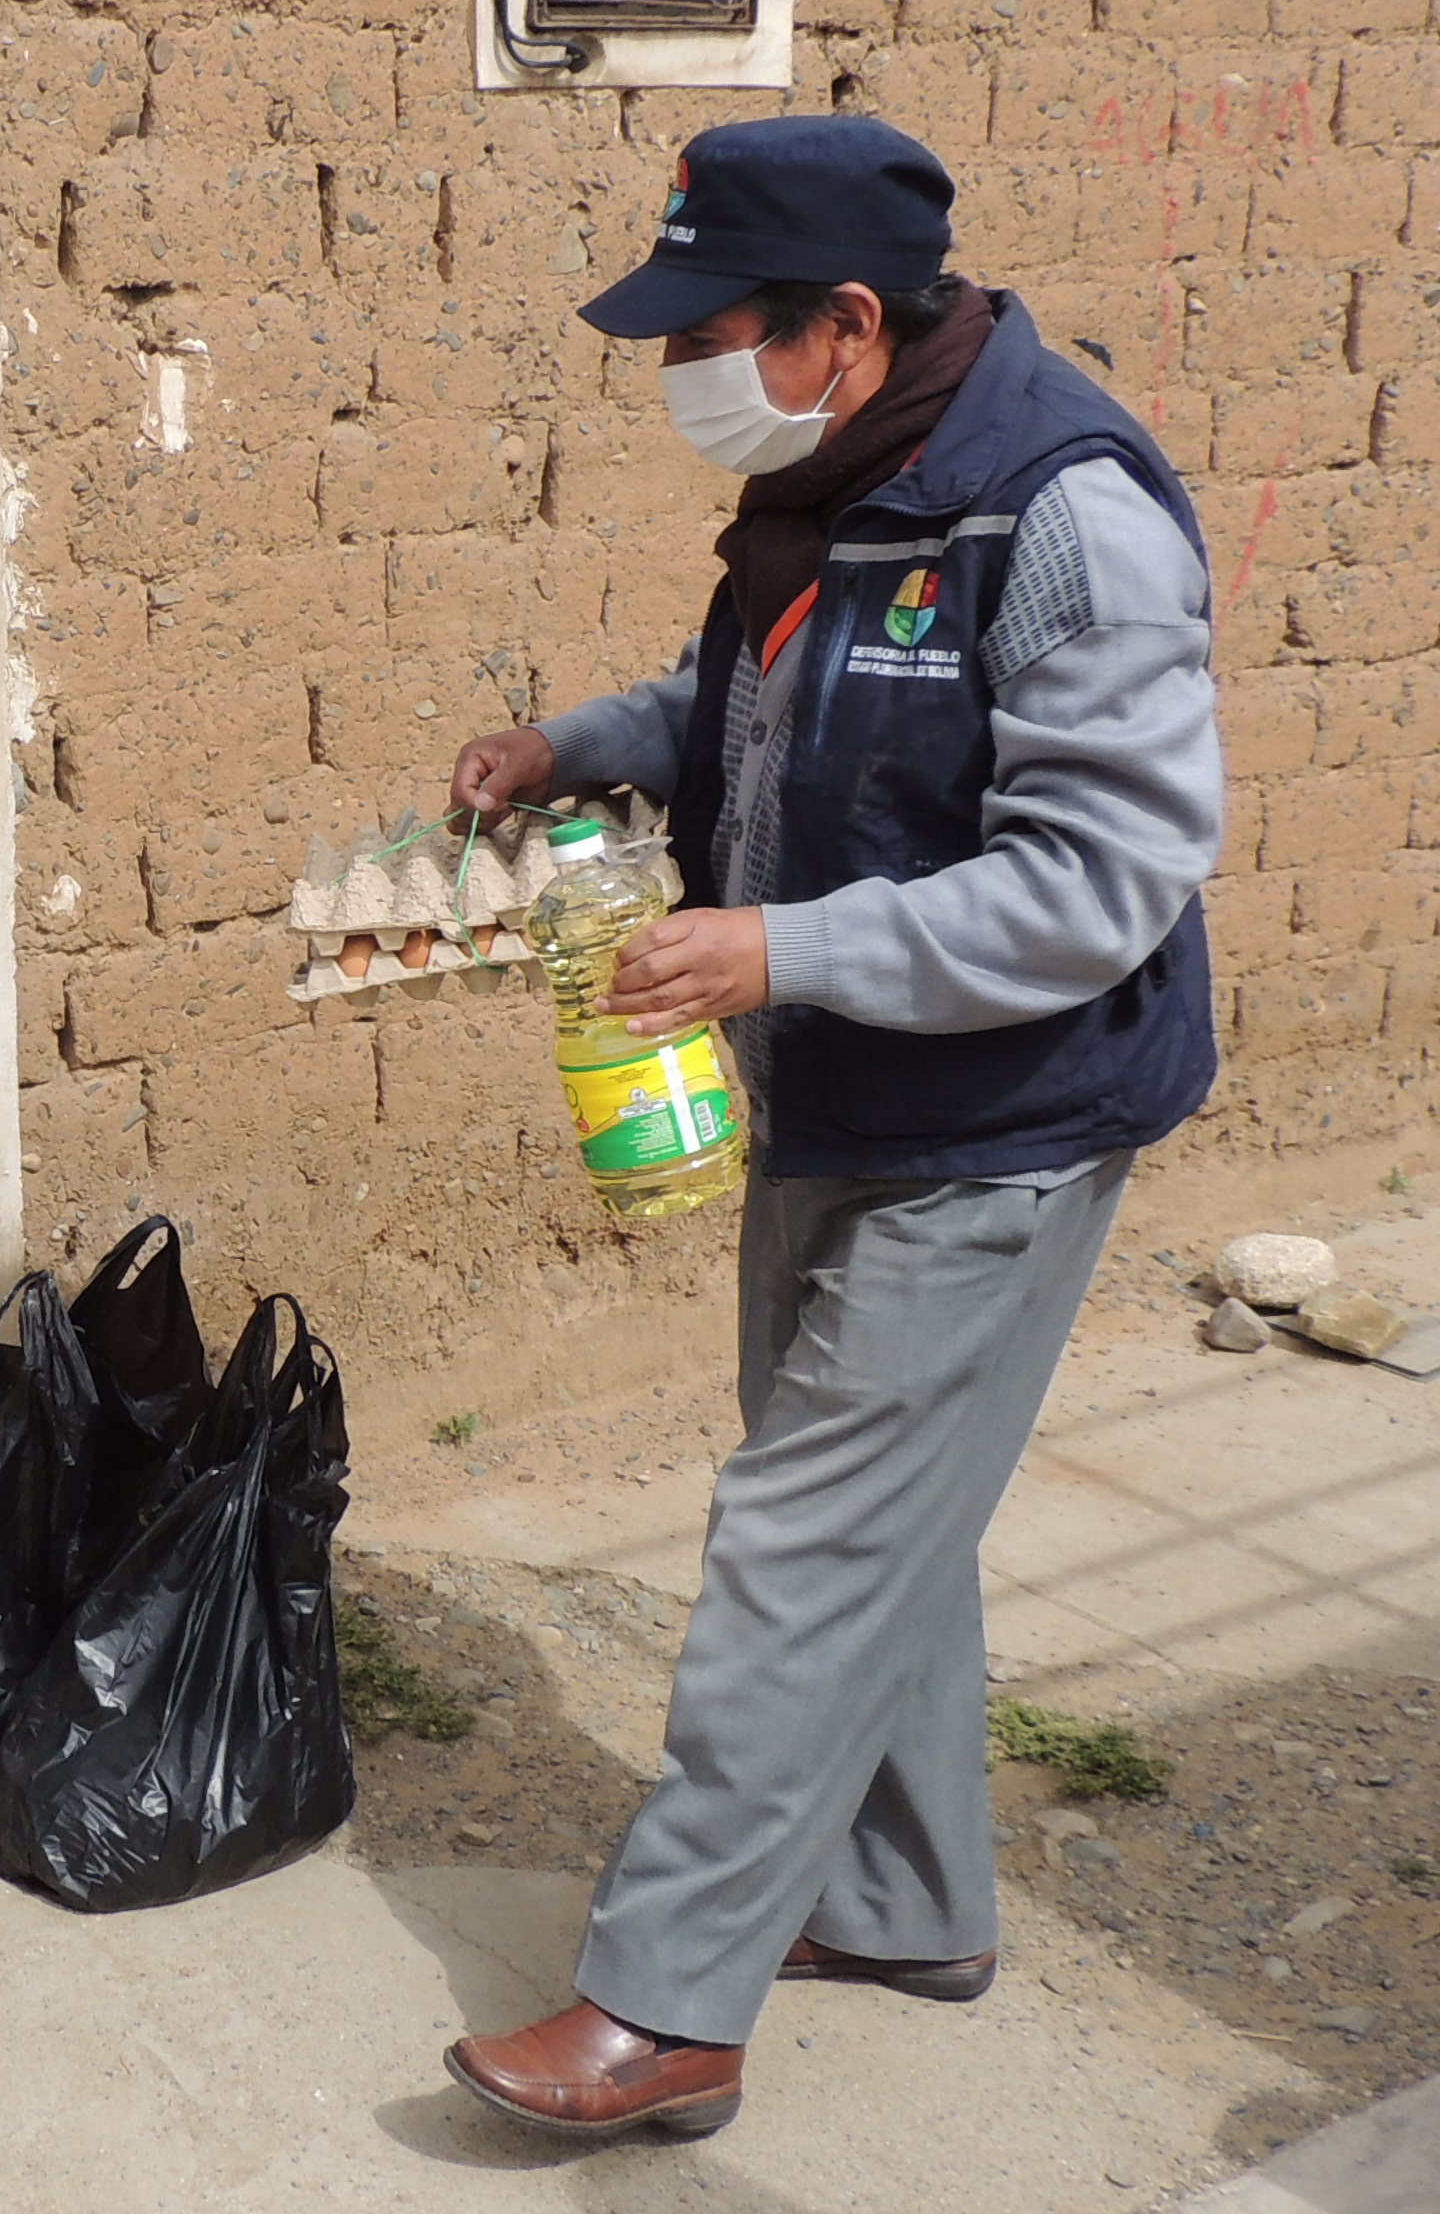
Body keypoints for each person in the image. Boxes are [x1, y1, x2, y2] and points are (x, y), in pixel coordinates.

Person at [436, 118, 1220, 2139]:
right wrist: (582, 746)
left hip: (996, 1123)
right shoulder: (826, 489)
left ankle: (662, 2000)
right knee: (876, 1517)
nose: (675, 373)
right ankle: (895, 1900)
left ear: (844, 328)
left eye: (708, 334)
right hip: (836, 1103)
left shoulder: (1059, 515)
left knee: (794, 1537)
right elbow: (756, 712)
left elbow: (1094, 882)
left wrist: (773, 949)